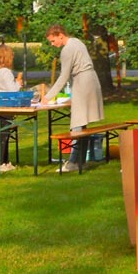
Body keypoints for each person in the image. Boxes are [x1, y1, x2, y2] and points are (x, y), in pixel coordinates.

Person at [42, 24, 104, 173]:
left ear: (60, 35)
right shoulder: (77, 41)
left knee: (77, 124)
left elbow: (63, 76)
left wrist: (48, 97)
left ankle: (72, 162)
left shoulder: (67, 49)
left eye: (53, 40)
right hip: (91, 80)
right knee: (82, 124)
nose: (52, 44)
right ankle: (80, 161)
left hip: (83, 82)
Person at [0, 45, 23, 173]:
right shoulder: (6, 72)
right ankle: (0, 163)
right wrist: (18, 83)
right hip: (5, 105)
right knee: (3, 135)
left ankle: (5, 162)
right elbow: (13, 91)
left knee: (4, 133)